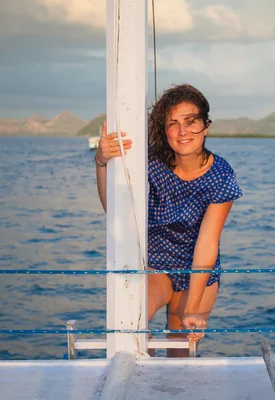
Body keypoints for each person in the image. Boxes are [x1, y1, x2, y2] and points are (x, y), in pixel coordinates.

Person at [94, 84, 243, 357]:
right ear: (165, 130)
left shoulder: (221, 175)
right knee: (134, 324)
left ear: (206, 126)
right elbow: (114, 211)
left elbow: (207, 242)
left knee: (180, 360)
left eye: (191, 122)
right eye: (173, 124)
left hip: (196, 272)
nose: (183, 132)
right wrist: (102, 162)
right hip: (155, 265)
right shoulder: (150, 161)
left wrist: (193, 307)